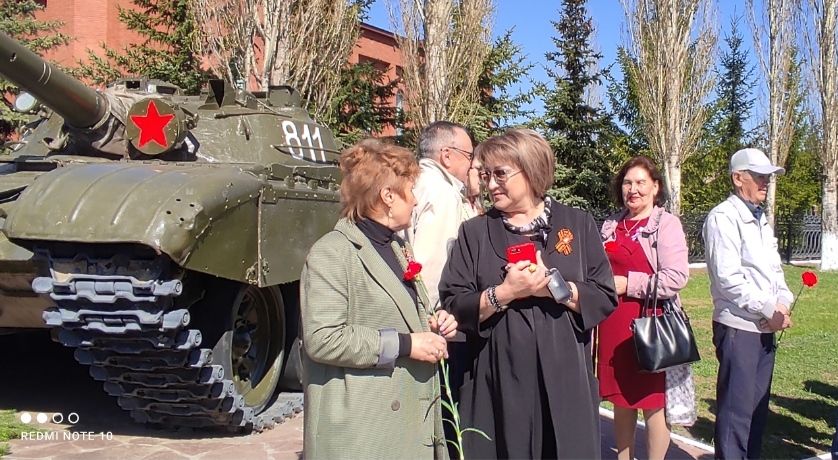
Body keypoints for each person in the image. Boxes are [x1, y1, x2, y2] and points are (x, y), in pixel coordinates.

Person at [439, 128, 617, 459]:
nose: (491, 185)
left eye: (501, 174)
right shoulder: (474, 233)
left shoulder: (576, 224)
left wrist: (555, 288)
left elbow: (605, 295)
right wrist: (504, 293)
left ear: (531, 170)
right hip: (498, 382)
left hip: (565, 380)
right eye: (486, 174)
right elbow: (454, 301)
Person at [300, 138, 458, 459]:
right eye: (411, 190)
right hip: (365, 429)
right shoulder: (333, 253)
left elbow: (396, 312)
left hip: (405, 422)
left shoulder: (398, 248)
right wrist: (407, 344)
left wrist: (433, 323)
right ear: (388, 196)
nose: (415, 201)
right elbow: (322, 338)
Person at [703, 147, 793, 459]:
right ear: (738, 178)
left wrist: (783, 302)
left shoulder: (760, 219)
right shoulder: (723, 218)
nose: (765, 182)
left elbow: (774, 270)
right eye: (759, 176)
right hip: (739, 327)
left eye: (767, 176)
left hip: (765, 326)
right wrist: (770, 310)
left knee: (756, 412)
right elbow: (729, 279)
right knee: (736, 415)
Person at [598, 156, 690, 460]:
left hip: (652, 326)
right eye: (627, 182)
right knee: (621, 401)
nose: (633, 189)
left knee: (652, 403)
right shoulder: (611, 224)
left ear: (655, 187)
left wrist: (628, 283)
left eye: (640, 182)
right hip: (614, 325)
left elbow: (676, 277)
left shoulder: (666, 224)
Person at [405, 121, 482, 310]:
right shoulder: (442, 193)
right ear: (447, 156)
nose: (471, 165)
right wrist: (431, 317)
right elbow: (433, 264)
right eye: (468, 156)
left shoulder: (414, 181)